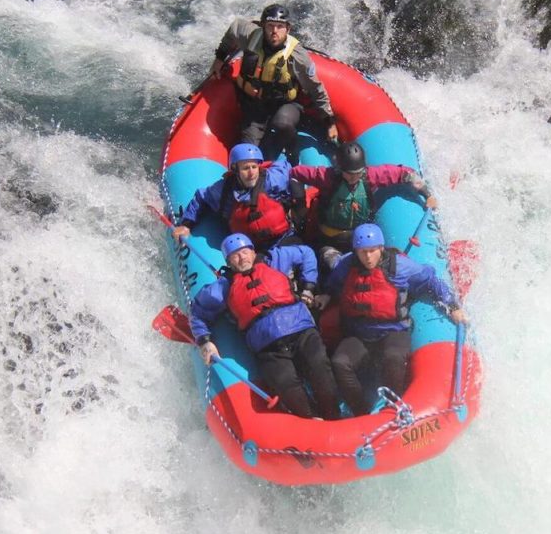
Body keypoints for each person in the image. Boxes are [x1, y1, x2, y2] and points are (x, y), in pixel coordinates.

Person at [314, 224, 466, 416]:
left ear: (381, 248)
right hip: (359, 335)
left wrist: (452, 306)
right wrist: (326, 295)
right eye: (362, 252)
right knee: (339, 362)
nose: (367, 257)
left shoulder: (400, 266)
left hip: (393, 331)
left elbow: (430, 280)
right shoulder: (347, 264)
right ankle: (361, 412)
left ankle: (393, 407)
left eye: (372, 251)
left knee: (393, 357)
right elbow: (333, 282)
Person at [189, 233, 341, 420]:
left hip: (301, 330)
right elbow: (198, 312)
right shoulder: (223, 287)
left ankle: (334, 415)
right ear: (229, 262)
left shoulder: (273, 260)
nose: (242, 257)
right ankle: (312, 421)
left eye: (245, 252)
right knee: (286, 383)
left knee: (319, 367)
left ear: (253, 252)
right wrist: (205, 340)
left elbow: (306, 253)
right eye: (235, 255)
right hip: (268, 347)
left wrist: (308, 286)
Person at [204, 3, 338, 159]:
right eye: (270, 26)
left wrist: (330, 122)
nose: (275, 31)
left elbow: (315, 88)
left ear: (288, 29)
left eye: (280, 26)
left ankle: (292, 150)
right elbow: (234, 28)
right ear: (262, 26)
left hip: (286, 104)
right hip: (255, 106)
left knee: (282, 123)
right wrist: (220, 58)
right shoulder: (250, 34)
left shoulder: (297, 56)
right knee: (249, 153)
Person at [289, 141, 438, 267]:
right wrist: (300, 206)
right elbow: (295, 174)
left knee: (380, 265)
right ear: (340, 169)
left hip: (360, 239)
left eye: (357, 173)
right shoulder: (327, 177)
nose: (354, 177)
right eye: (349, 173)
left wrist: (427, 194)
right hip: (329, 241)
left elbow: (404, 174)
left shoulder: (370, 176)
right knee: (335, 265)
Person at [172, 143, 306, 250]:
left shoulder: (272, 179)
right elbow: (201, 198)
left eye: (254, 167)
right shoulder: (223, 190)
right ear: (235, 170)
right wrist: (186, 224)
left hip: (283, 237)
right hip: (249, 249)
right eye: (246, 168)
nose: (251, 173)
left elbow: (288, 169)